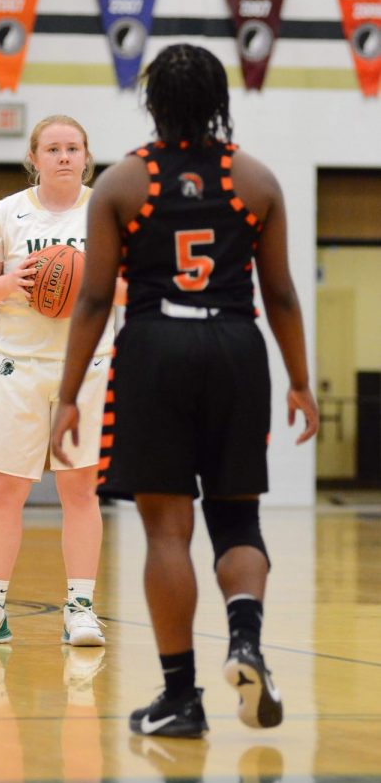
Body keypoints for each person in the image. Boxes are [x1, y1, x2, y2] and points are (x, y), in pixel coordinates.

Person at [51, 44, 319, 736]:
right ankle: (246, 639)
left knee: (167, 530)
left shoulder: (121, 184)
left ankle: (181, 699)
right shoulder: (255, 180)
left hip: (155, 348)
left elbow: (89, 304)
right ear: (219, 101)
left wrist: (68, 394)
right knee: (237, 519)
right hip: (236, 344)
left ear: (153, 103)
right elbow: (282, 293)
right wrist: (300, 382)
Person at [0, 114, 125, 648]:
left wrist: (91, 282)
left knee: (80, 491)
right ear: (34, 158)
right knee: (6, 492)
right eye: (53, 148)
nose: (64, 156)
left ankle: (82, 610)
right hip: (17, 366)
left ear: (87, 156)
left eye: (73, 147)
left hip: (88, 368)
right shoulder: (8, 213)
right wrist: (10, 281)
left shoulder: (107, 212)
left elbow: (133, 291)